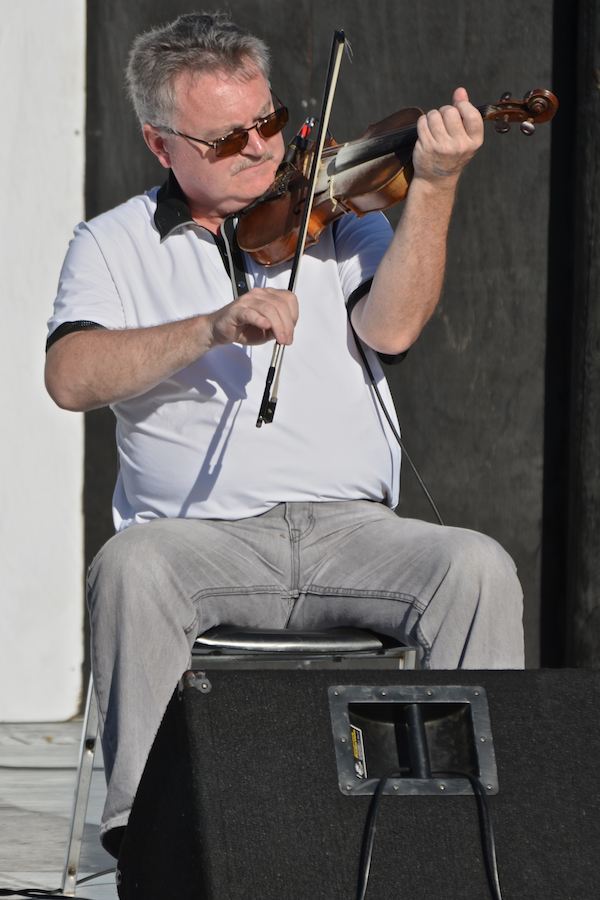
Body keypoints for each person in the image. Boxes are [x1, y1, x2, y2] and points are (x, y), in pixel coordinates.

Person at [45, 12, 524, 858]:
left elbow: (395, 329)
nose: (265, 153)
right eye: (230, 140)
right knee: (129, 565)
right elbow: (71, 376)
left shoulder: (343, 214)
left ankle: (462, 839)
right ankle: (157, 845)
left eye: (269, 123)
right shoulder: (112, 243)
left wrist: (437, 186)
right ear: (163, 147)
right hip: (198, 541)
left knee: (475, 566)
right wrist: (210, 328)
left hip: (356, 533)